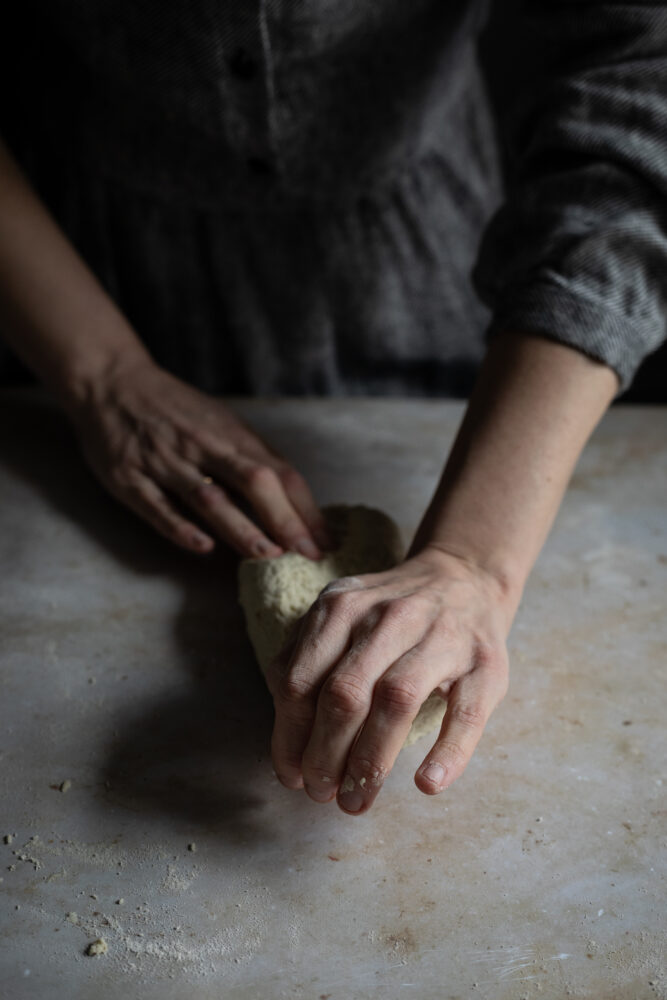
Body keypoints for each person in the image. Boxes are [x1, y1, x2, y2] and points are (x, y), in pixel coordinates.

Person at [1, 2, 665, 816]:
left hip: (426, 275)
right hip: (67, 273)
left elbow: (641, 80)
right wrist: (99, 369)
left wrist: (472, 560)